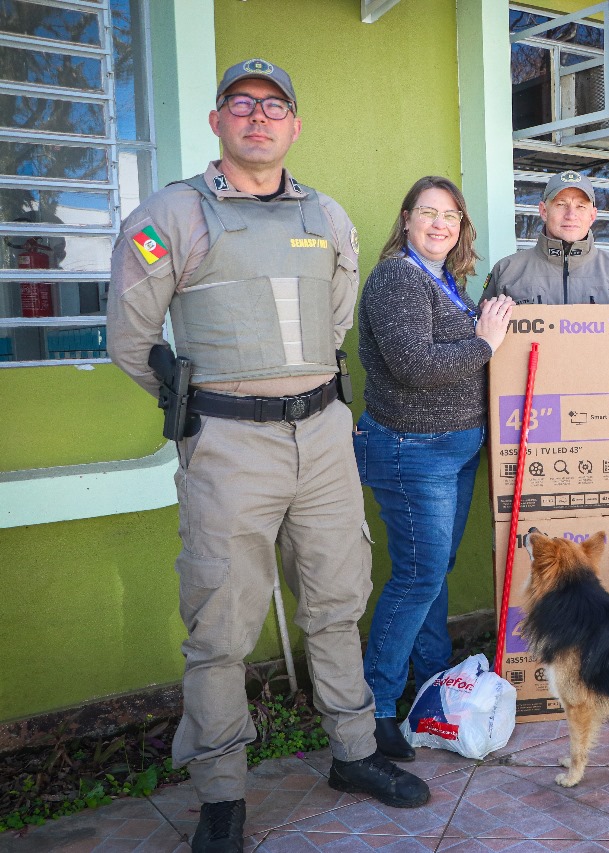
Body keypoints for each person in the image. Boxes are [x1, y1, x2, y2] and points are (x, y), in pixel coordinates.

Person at [105, 58, 431, 853]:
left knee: (336, 600)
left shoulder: (329, 214)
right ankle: (222, 794)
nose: (259, 117)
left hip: (321, 435)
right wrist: (202, 408)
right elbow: (130, 340)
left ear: (294, 125)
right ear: (217, 121)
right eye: (242, 104)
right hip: (226, 442)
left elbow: (335, 318)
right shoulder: (169, 216)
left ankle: (353, 751)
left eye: (275, 106)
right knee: (220, 624)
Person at [355, 177, 514, 761]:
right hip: (412, 449)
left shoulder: (442, 280)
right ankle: (375, 709)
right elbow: (417, 367)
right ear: (406, 219)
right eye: (429, 213)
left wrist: (486, 328)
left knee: (434, 568)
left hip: (453, 447)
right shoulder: (398, 278)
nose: (440, 224)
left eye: (451, 215)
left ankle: (430, 683)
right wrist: (486, 341)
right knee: (419, 575)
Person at [482, 170, 609, 305]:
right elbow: (483, 336)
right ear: (544, 211)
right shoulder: (507, 270)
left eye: (580, 206)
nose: (571, 215)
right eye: (561, 204)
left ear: (592, 215)